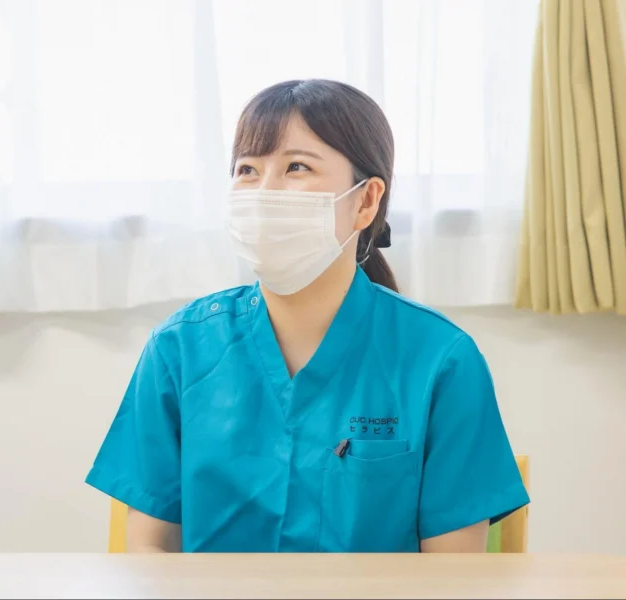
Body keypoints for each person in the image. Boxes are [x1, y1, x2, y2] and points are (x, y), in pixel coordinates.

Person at [85, 79, 529, 553]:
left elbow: (453, 576)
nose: (264, 192)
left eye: (297, 166)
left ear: (366, 201)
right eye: (247, 170)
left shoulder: (440, 360)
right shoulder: (178, 350)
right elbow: (150, 557)